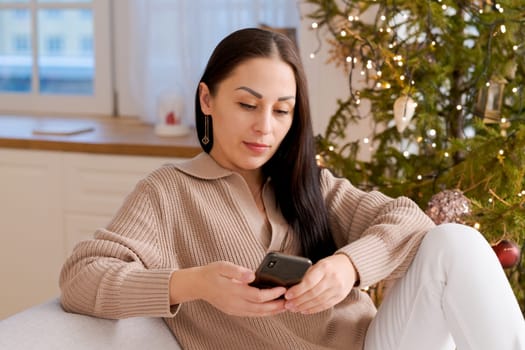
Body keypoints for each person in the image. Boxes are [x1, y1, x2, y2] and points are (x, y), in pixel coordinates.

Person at [59, 27, 525, 350]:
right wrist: (196, 284)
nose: (264, 127)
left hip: (377, 343)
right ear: (207, 99)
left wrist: (347, 267)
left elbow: (410, 220)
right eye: (247, 104)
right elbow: (81, 277)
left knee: (454, 240)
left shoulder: (309, 184)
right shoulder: (168, 193)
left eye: (282, 111)